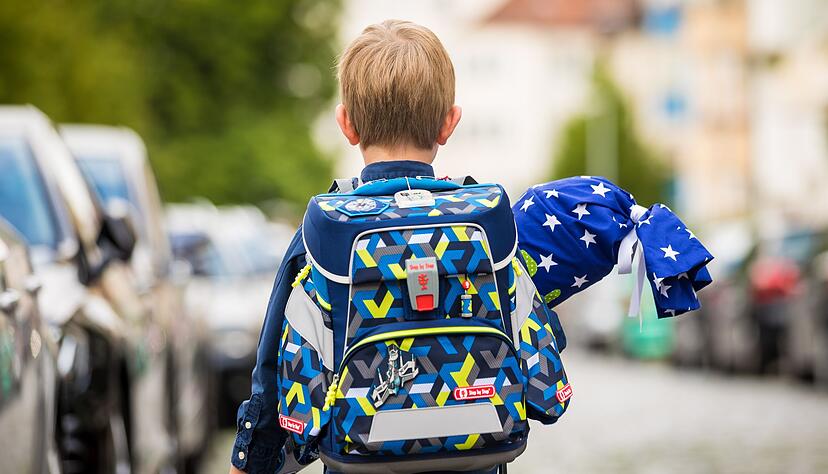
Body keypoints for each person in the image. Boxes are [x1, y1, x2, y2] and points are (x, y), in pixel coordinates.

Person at [229, 20, 472, 474]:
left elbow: (271, 378)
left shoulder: (326, 233)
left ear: (346, 124)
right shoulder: (484, 226)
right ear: (449, 123)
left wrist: (250, 460)